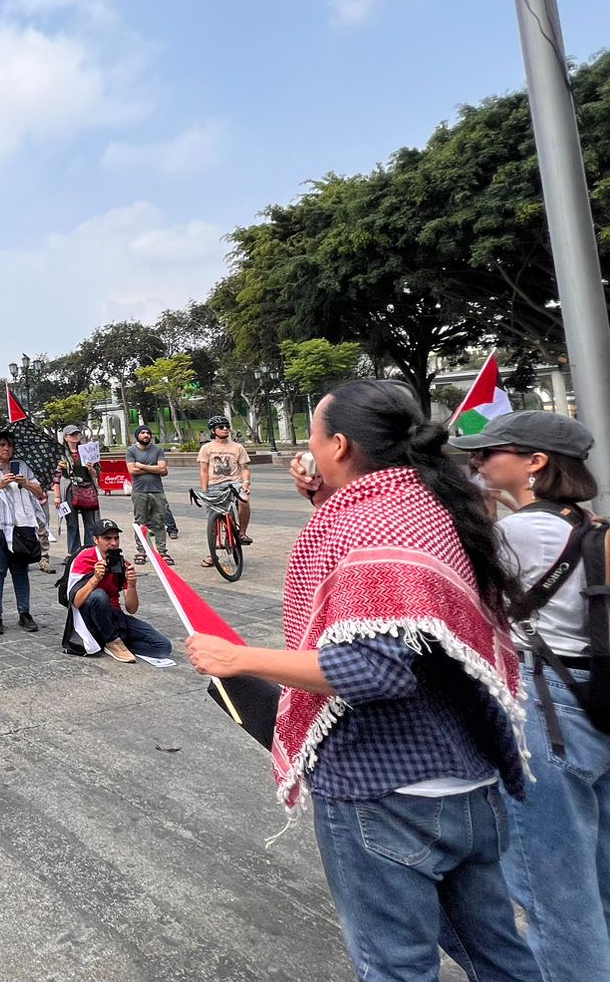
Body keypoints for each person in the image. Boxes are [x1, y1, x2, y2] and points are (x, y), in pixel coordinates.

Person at [188, 379, 537, 982]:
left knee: (395, 966)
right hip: (468, 781)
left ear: (342, 445)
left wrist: (238, 659)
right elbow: (393, 600)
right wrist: (328, 499)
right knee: (500, 958)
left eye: (315, 438)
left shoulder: (368, 524)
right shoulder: (432, 503)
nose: (310, 451)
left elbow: (373, 668)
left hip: (387, 794)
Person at [453, 409, 607, 980]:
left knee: (553, 891)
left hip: (548, 709)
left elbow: (447, 587)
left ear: (535, 462)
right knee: (599, 875)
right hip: (594, 697)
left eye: (491, 453)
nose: (477, 462)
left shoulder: (517, 533)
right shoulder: (587, 524)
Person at [60, 519, 172, 662]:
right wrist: (95, 579)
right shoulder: (83, 559)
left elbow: (132, 609)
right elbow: (75, 602)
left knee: (163, 647)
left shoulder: (122, 564)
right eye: (107, 538)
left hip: (114, 615)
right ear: (95, 539)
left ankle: (109, 641)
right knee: (99, 595)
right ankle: (112, 641)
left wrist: (131, 585)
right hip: (88, 616)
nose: (113, 543)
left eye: (116, 538)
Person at [0, 429, 46, 636]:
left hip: (21, 527)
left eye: (10, 445)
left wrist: (25, 483)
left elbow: (40, 492)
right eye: (3, 445)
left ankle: (25, 613)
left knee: (21, 572)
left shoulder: (22, 467)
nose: (7, 448)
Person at [197, 415, 253, 568]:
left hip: (234, 483)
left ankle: (241, 533)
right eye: (221, 427)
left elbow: (245, 469)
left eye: (227, 426)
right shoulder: (206, 448)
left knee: (244, 500)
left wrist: (246, 483)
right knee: (213, 522)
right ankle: (213, 554)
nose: (225, 429)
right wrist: (204, 490)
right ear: (213, 431)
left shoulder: (237, 447)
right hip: (214, 485)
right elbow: (203, 471)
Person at [126, 426, 173, 566]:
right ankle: (142, 551)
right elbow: (132, 470)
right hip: (140, 491)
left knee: (159, 521)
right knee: (140, 521)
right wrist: (154, 468)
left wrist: (142, 466)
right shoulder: (131, 451)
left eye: (148, 433)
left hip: (157, 491)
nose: (146, 435)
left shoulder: (157, 449)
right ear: (137, 435)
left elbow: (163, 469)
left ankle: (162, 551)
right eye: (142, 433)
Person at [53, 425, 102, 556]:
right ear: (65, 437)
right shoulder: (61, 454)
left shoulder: (87, 451)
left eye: (77, 434)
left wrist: (90, 468)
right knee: (72, 523)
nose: (75, 437)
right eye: (71, 435)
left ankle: (89, 550)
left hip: (87, 487)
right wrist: (57, 496)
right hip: (70, 488)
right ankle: (73, 552)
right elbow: (56, 477)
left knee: (90, 522)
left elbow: (97, 473)